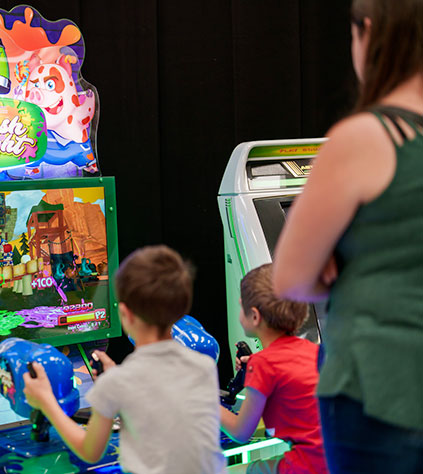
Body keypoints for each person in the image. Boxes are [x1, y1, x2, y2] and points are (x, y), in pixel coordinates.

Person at [271, 0, 423, 472]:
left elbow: (290, 278)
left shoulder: (367, 136)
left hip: (378, 386)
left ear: (369, 32)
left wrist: (335, 262)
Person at [23, 245, 226, 474]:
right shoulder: (203, 366)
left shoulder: (118, 383)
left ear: (125, 314)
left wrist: (46, 401)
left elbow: (90, 451)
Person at [220, 264, 327, 473]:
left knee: (241, 470)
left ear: (254, 316)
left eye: (241, 306)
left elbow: (241, 432)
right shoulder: (314, 351)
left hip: (311, 464)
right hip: (337, 459)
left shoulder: (263, 364)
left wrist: (204, 400)